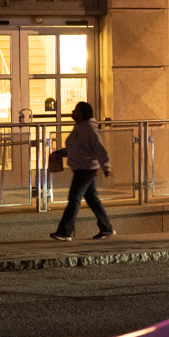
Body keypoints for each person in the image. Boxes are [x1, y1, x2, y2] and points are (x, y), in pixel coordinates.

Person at [49, 101, 115, 241]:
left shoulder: (89, 129)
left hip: (86, 168)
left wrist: (106, 167)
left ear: (82, 113)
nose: (73, 112)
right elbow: (77, 149)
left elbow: (99, 149)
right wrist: (61, 153)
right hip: (82, 167)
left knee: (74, 198)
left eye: (76, 110)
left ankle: (64, 231)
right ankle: (106, 228)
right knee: (92, 199)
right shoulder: (80, 127)